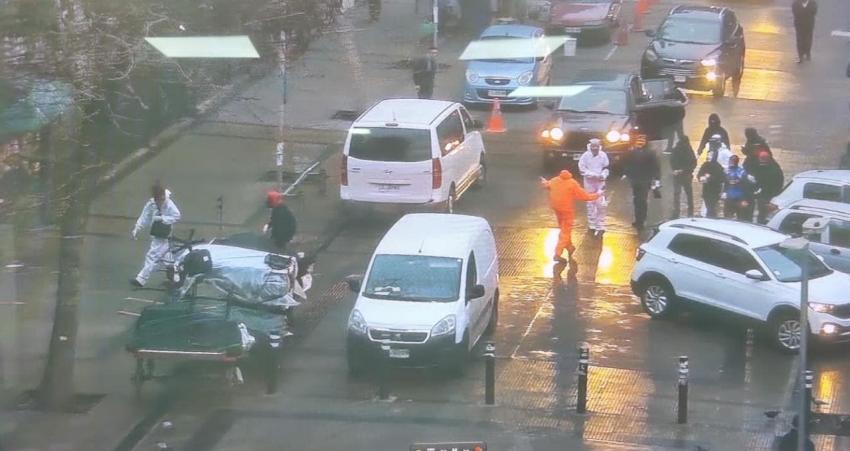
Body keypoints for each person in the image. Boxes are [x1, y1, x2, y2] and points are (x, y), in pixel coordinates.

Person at [541, 170, 600, 263]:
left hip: (557, 209)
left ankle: (569, 246)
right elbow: (585, 196)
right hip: (567, 210)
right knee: (565, 231)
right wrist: (597, 195)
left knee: (563, 229)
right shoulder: (572, 183)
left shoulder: (554, 180)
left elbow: (546, 185)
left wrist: (543, 181)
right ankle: (557, 253)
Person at [131, 183, 181, 287]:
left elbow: (177, 215)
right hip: (156, 232)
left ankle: (141, 279)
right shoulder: (151, 203)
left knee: (152, 255)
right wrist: (137, 228)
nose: (161, 201)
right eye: (159, 199)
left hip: (164, 234)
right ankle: (176, 276)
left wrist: (163, 219)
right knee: (167, 258)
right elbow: (144, 216)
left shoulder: (169, 203)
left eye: (162, 198)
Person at [622, 135, 660, 230]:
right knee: (636, 200)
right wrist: (626, 173)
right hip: (635, 180)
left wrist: (656, 179)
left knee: (642, 201)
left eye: (642, 141)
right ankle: (638, 219)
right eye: (638, 141)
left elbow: (655, 167)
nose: (640, 143)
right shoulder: (632, 152)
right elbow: (627, 163)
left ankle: (641, 220)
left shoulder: (650, 153)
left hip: (645, 180)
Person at [577, 138, 610, 237]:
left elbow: (606, 167)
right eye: (593, 146)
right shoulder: (585, 156)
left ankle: (600, 225)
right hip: (589, 182)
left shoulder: (603, 155)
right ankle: (592, 224)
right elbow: (582, 170)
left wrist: (603, 175)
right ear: (590, 146)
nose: (595, 148)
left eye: (596, 146)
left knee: (601, 203)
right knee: (590, 203)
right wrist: (594, 175)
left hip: (600, 182)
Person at [749, 150, 785, 224]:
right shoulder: (758, 166)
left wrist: (774, 197)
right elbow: (756, 179)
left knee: (767, 215)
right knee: (761, 214)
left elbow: (778, 184)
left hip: (771, 196)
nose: (761, 162)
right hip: (762, 195)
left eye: (763, 160)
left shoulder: (775, 169)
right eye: (761, 159)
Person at [670, 134, 697, 219]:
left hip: (678, 175)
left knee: (677, 194)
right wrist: (685, 170)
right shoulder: (689, 150)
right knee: (689, 193)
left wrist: (675, 170)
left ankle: (676, 213)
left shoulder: (676, 149)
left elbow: (672, 161)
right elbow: (693, 163)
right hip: (686, 175)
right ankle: (690, 212)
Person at [722, 155, 755, 221]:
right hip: (729, 197)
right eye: (730, 161)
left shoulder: (741, 172)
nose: (731, 162)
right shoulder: (726, 171)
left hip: (740, 198)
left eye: (733, 161)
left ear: (737, 162)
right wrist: (724, 192)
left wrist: (745, 199)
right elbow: (725, 183)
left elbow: (747, 186)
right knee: (727, 217)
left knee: (741, 218)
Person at [697, 149, 725, 218]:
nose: (709, 156)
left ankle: (710, 218)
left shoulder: (718, 167)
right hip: (706, 190)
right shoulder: (705, 165)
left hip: (715, 190)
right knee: (708, 206)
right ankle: (710, 217)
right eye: (708, 154)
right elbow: (699, 174)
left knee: (711, 207)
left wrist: (710, 178)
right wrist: (701, 178)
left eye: (711, 155)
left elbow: (721, 179)